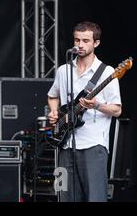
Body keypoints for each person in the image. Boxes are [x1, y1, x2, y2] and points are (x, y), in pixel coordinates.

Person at [47, 21, 122, 202]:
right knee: (63, 194)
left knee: (95, 197)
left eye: (85, 41)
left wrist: (96, 105)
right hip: (64, 144)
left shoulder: (107, 72)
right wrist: (54, 112)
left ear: (96, 43)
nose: (80, 45)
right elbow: (52, 95)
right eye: (77, 40)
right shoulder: (63, 70)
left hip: (93, 145)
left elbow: (117, 110)